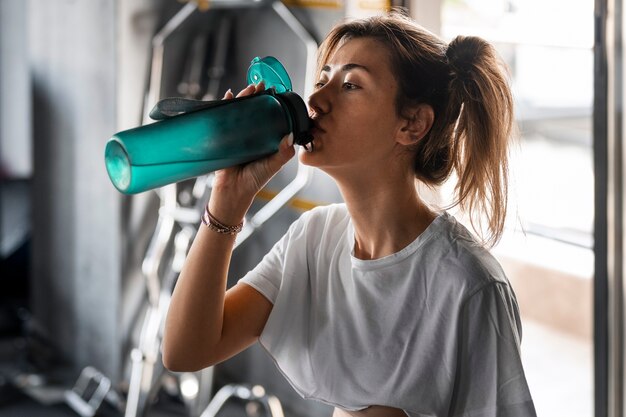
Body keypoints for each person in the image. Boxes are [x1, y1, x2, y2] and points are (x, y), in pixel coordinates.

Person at [162, 10, 537, 417]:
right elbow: (186, 350)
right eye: (322, 80)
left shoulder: (469, 285)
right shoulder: (314, 238)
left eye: (351, 85)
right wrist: (226, 201)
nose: (316, 101)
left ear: (412, 124)